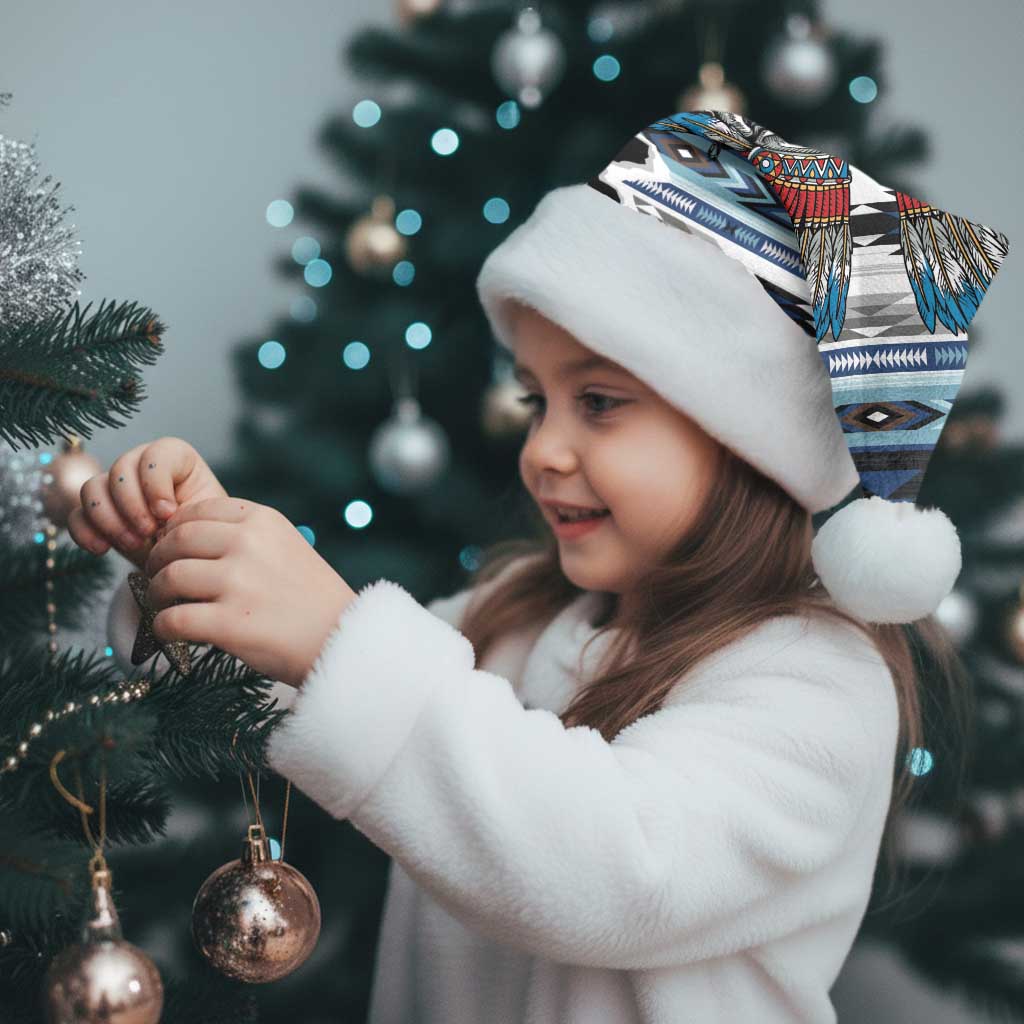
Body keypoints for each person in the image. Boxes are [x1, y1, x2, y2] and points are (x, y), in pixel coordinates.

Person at [73, 110, 1011, 1023]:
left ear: (747, 441)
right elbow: (306, 690)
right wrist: (190, 566)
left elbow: (616, 871)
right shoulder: (515, 616)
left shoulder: (818, 682)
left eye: (598, 403)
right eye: (536, 401)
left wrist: (335, 636)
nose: (543, 450)